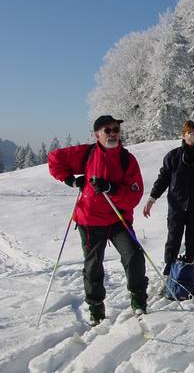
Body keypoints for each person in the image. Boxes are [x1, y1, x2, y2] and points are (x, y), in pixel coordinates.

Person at [48, 115, 148, 325]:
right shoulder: (87, 153)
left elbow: (134, 194)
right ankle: (96, 309)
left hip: (118, 219)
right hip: (90, 220)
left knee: (134, 256)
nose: (112, 134)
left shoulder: (127, 160)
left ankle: (138, 299)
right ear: (97, 134)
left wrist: (111, 188)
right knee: (93, 266)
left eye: (115, 130)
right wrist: (70, 180)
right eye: (107, 130)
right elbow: (55, 158)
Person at [143, 120, 194, 296]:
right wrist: (151, 199)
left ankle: (187, 278)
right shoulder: (173, 156)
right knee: (173, 240)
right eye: (189, 133)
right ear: (183, 135)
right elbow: (163, 179)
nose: (192, 136)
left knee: (193, 241)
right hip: (176, 206)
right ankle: (169, 277)